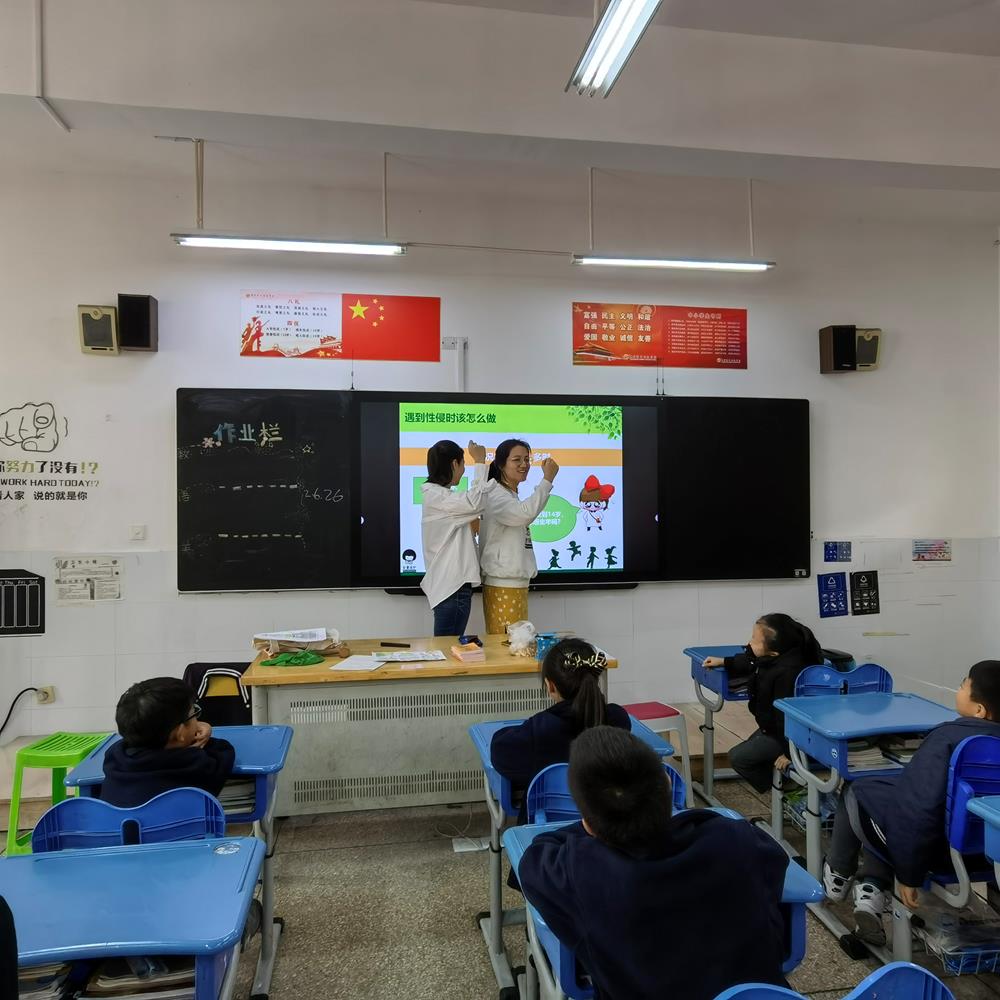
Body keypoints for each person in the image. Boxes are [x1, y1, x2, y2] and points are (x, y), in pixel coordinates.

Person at [519, 726, 791, 1000]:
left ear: (588, 824)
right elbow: (774, 868)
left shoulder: (582, 871)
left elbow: (534, 857)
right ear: (668, 786)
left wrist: (596, 824)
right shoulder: (734, 837)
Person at [823, 660, 1000, 945]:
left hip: (943, 855)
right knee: (884, 796)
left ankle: (840, 878)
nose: (959, 688)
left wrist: (910, 875)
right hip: (990, 856)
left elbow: (917, 810)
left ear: (979, 710)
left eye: (963, 685)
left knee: (859, 793)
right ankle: (869, 888)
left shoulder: (948, 738)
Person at [491, 638, 629, 823]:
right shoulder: (619, 719)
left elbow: (499, 752)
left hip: (548, 831)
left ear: (550, 686)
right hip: (608, 826)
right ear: (594, 677)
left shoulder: (541, 730)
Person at [703, 613, 823, 793]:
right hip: (772, 728)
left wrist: (791, 754)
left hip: (790, 735)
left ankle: (787, 789)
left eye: (754, 639)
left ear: (773, 652)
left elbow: (785, 719)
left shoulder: (787, 673)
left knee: (738, 758)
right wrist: (724, 662)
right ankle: (783, 780)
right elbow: (751, 660)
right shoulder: (777, 656)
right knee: (752, 752)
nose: (749, 642)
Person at [100, 677, 235, 808]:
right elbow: (223, 750)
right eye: (194, 713)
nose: (197, 720)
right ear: (180, 733)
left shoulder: (114, 759)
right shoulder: (195, 766)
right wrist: (206, 731)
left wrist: (192, 727)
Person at [478, 438, 559, 635]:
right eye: (516, 460)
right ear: (500, 464)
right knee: (507, 645)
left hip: (512, 583)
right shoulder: (495, 494)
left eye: (527, 459)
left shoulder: (508, 494)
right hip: (503, 583)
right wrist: (547, 480)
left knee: (516, 645)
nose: (524, 465)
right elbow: (524, 514)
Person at [420, 439, 495, 637]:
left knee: (447, 646)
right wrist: (480, 461)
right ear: (455, 464)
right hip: (453, 587)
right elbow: (477, 503)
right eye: (463, 464)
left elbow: (472, 506)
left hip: (450, 587)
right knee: (448, 649)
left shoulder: (438, 496)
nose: (463, 470)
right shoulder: (438, 497)